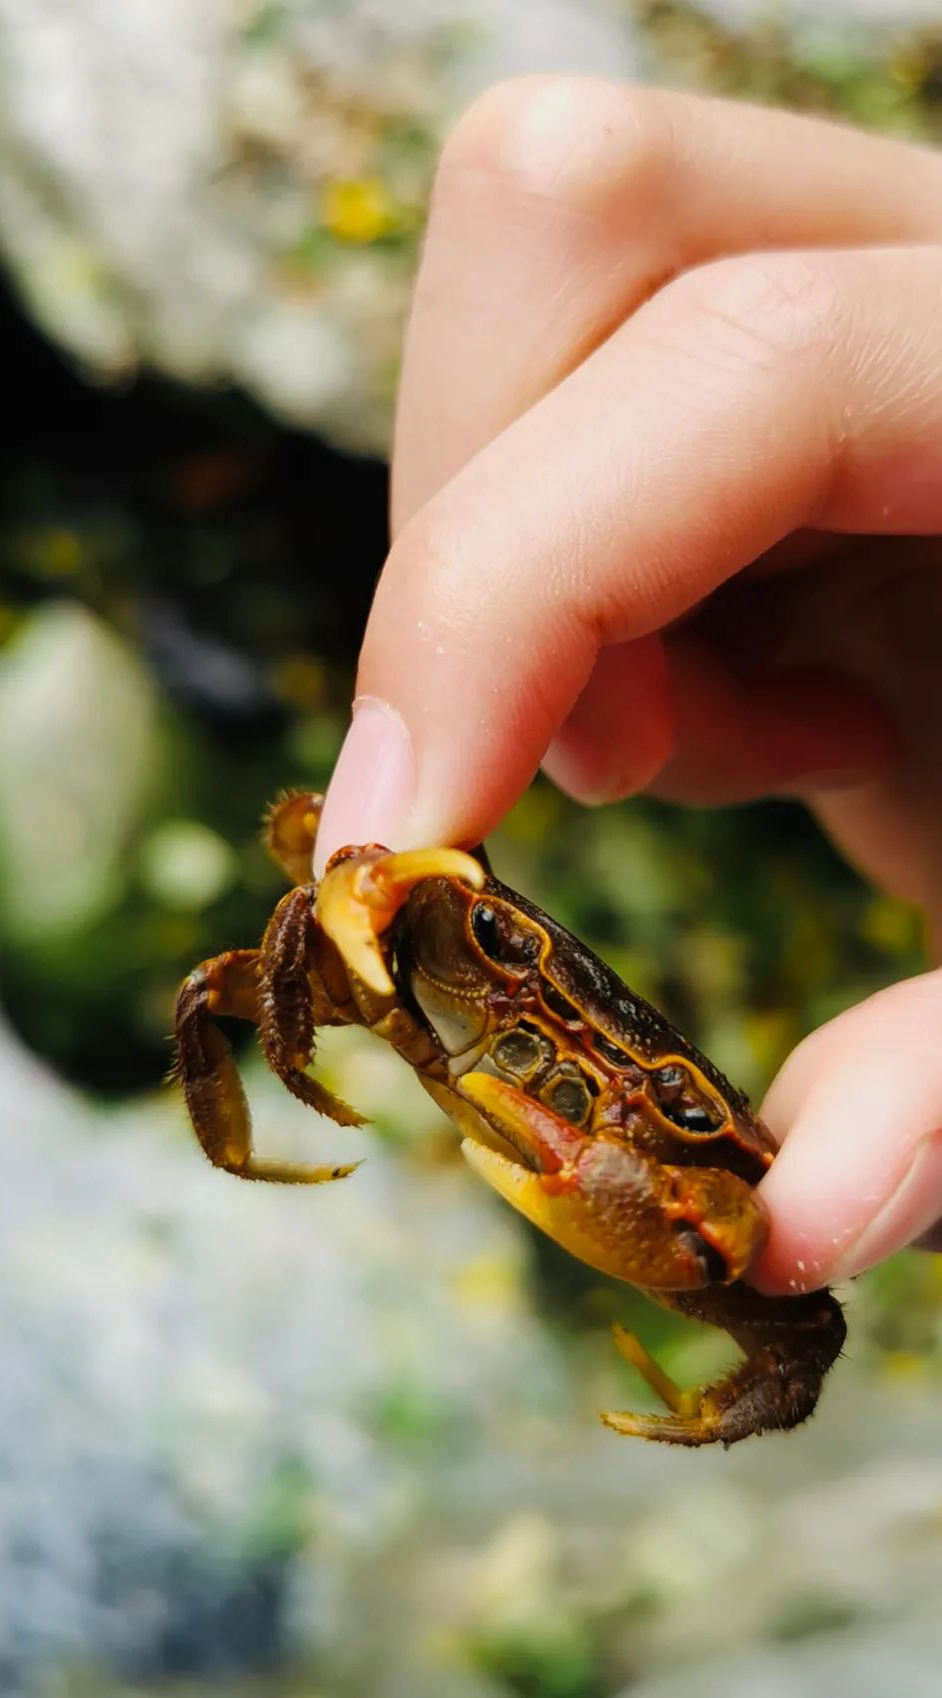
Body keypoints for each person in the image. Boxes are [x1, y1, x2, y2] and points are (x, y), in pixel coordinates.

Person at [311, 77, 942, 1297]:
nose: (574, 1071)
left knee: (788, 1295)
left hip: (678, 1167)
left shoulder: (687, 1168)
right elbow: (317, 892)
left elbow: (780, 1309)